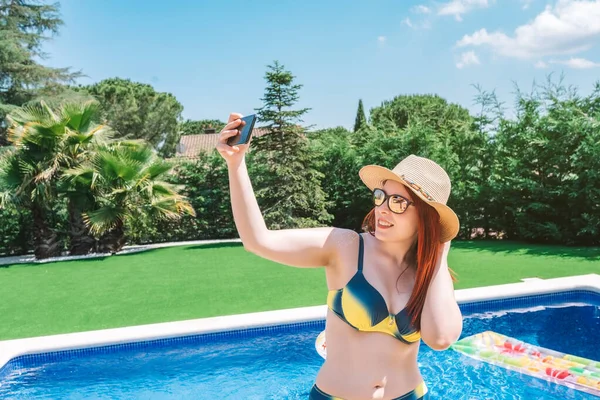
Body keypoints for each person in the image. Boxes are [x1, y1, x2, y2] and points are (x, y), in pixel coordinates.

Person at [217, 113, 463, 400]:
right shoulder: (346, 247)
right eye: (381, 195)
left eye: (398, 201)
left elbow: (441, 338)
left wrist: (439, 250)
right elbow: (258, 241)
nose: (382, 208)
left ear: (426, 218)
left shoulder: (427, 273)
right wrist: (236, 165)